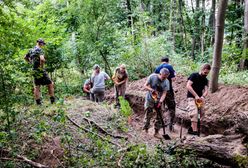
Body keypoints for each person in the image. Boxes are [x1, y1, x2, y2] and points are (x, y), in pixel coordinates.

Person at [24, 38, 55, 105]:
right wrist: (41, 67)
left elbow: (25, 57)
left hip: (34, 70)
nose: (43, 45)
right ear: (40, 43)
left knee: (37, 86)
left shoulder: (31, 50)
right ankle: (53, 101)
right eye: (43, 44)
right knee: (50, 84)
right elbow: (42, 59)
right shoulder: (39, 50)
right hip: (40, 70)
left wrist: (30, 63)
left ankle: (38, 103)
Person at [143, 68, 170, 139]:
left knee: (160, 116)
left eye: (166, 77)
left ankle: (156, 132)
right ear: (160, 74)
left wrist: (160, 101)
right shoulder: (152, 77)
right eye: (163, 77)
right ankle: (145, 130)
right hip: (150, 99)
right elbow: (145, 85)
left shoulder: (166, 81)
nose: (164, 78)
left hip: (159, 100)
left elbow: (164, 93)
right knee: (148, 114)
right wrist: (151, 90)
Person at [186, 63, 211, 135]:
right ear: (202, 69)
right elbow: (188, 86)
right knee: (194, 113)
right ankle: (195, 132)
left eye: (208, 73)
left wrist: (203, 96)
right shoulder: (194, 75)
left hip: (199, 99)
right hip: (191, 97)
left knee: (202, 113)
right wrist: (196, 95)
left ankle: (191, 128)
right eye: (205, 72)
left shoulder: (205, 80)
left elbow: (206, 90)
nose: (206, 74)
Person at [154, 57, 176, 131]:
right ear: (168, 61)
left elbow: (155, 78)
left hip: (158, 90)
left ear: (161, 61)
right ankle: (170, 125)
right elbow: (173, 78)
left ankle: (160, 124)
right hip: (168, 89)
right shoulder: (169, 66)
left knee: (159, 106)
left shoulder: (157, 68)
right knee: (172, 107)